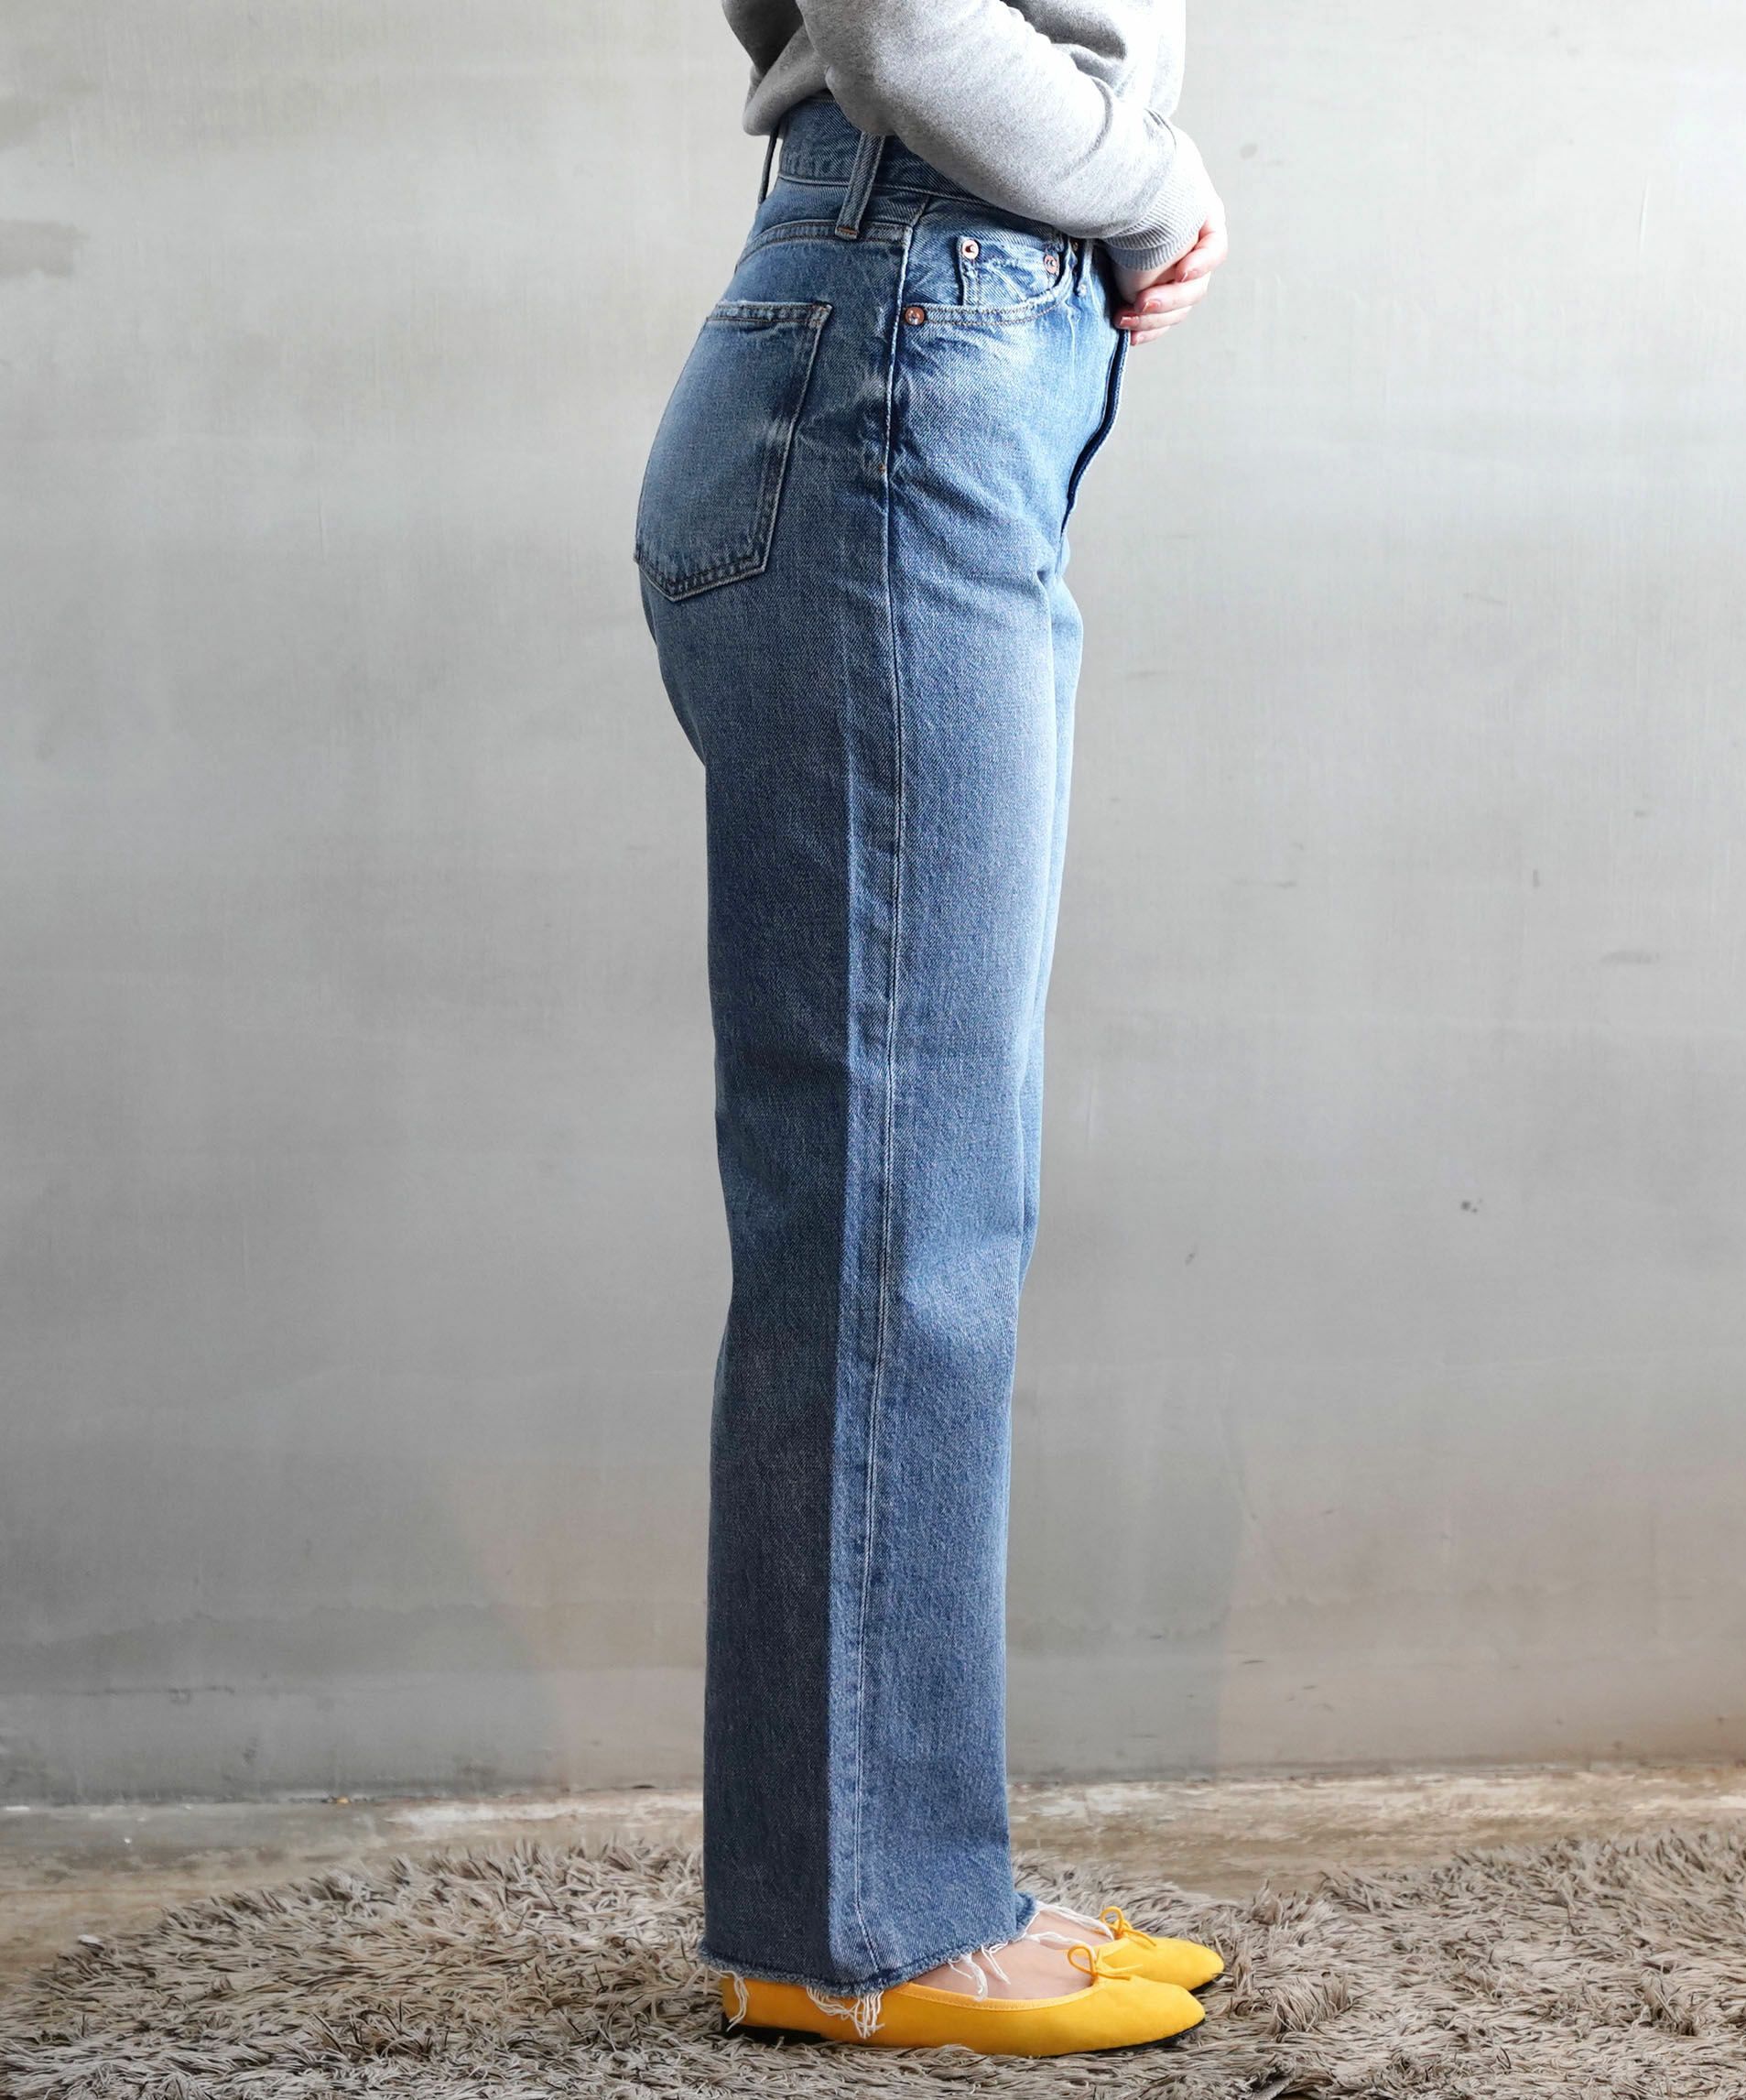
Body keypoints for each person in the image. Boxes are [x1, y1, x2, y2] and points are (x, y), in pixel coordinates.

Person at [634, 0, 1230, 2059]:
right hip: (905, 345)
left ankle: (893, 1869)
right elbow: (898, 24)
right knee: (899, 1197)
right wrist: (1150, 175)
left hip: (915, 336)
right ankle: (857, 1922)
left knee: (912, 1184)